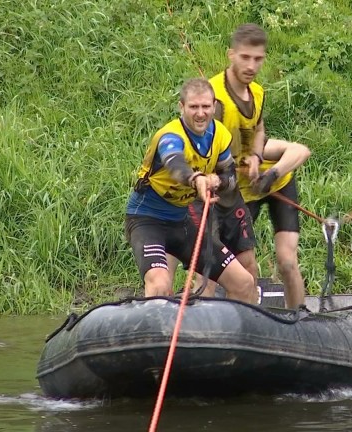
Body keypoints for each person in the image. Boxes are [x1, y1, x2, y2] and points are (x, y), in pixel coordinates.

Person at [125, 78, 257, 303]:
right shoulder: (171, 137)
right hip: (147, 220)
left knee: (244, 282)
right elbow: (174, 164)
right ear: (181, 107)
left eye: (206, 107)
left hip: (182, 223)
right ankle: (159, 334)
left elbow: (231, 176)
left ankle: (235, 335)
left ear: (214, 107)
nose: (200, 113)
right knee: (160, 284)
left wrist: (218, 181)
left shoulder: (220, 135)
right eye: (194, 107)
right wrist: (196, 179)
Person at [209, 23, 312, 308]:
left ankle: (298, 319)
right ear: (231, 55)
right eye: (245, 57)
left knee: (287, 261)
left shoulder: (257, 92)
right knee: (230, 266)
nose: (251, 65)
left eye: (258, 59)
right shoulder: (214, 97)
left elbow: (259, 128)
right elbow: (205, 144)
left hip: (274, 184)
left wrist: (259, 160)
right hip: (238, 191)